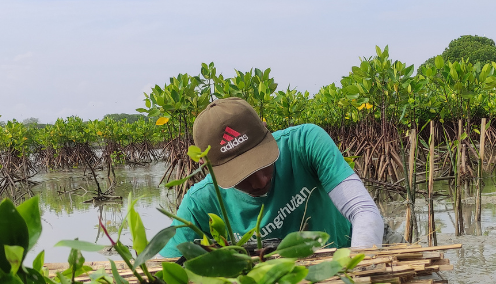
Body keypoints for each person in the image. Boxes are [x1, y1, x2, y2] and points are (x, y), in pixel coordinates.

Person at [160, 97, 384, 257]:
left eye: (263, 162)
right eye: (241, 175)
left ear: (266, 132)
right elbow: (162, 268)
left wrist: (358, 274)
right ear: (206, 166)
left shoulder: (306, 143)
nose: (260, 182)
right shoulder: (199, 204)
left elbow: (363, 211)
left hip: (346, 255)